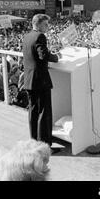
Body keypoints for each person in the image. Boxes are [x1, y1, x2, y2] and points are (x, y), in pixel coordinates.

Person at [22, 14, 60, 148]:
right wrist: (55, 57)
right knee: (44, 113)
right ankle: (44, 145)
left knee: (33, 111)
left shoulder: (27, 36)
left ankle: (34, 141)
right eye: (45, 24)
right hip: (40, 81)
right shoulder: (40, 36)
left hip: (29, 80)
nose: (47, 27)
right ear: (38, 25)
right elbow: (42, 55)